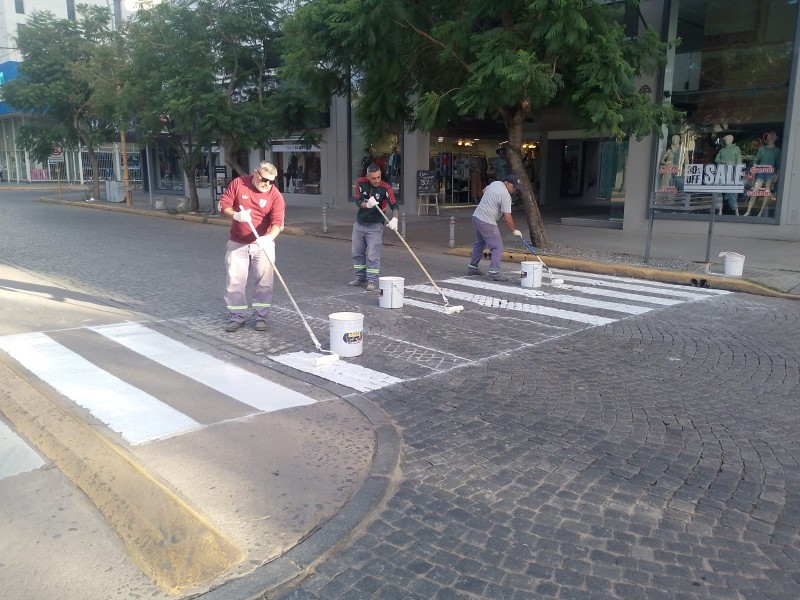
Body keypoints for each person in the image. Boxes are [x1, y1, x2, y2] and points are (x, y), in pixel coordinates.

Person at [218, 161, 285, 332]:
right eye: (264, 179)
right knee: (235, 282)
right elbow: (224, 205)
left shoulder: (275, 196)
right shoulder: (239, 184)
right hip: (238, 243)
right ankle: (236, 317)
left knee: (264, 283)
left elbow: (278, 222)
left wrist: (269, 238)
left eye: (271, 181)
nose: (267, 184)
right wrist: (236, 215)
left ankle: (260, 317)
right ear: (256, 173)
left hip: (263, 244)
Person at [349, 163, 399, 292]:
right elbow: (358, 201)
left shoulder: (385, 187)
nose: (376, 180)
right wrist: (367, 204)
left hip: (375, 225)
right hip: (360, 223)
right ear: (367, 177)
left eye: (378, 177)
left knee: (372, 254)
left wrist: (395, 218)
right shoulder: (360, 183)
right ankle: (360, 278)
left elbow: (394, 205)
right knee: (357, 253)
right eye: (373, 178)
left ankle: (371, 280)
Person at [467, 173, 522, 281]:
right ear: (507, 183)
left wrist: (492, 206)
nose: (514, 189)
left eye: (516, 187)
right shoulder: (506, 196)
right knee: (497, 247)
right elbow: (508, 217)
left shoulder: (495, 183)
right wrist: (514, 230)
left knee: (480, 243)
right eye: (513, 187)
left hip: (477, 217)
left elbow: (484, 191)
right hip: (486, 221)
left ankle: (472, 267)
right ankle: (494, 272)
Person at [744, 131, 781, 217]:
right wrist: (754, 170)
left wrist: (778, 174)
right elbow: (756, 160)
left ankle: (760, 212)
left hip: (770, 174)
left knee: (766, 191)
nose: (769, 139)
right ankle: (748, 211)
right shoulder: (762, 149)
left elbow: (779, 165)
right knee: (755, 191)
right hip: (762, 173)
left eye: (770, 137)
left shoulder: (777, 151)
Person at [714, 134, 742, 215]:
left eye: (727, 139)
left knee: (732, 192)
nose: (725, 140)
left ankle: (736, 210)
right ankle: (720, 209)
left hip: (732, 171)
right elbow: (716, 159)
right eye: (725, 139)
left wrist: (737, 173)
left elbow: (739, 161)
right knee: (718, 190)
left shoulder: (736, 149)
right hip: (722, 171)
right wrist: (724, 162)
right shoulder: (722, 150)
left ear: (731, 140)